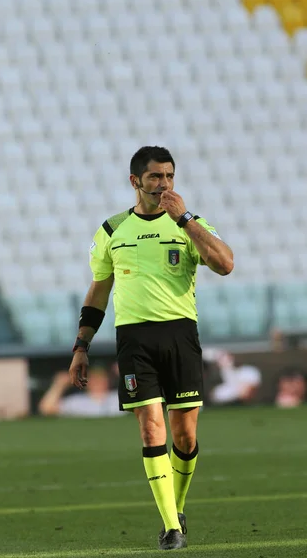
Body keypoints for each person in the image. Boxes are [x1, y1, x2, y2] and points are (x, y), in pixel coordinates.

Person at [68, 146, 233, 550]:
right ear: (135, 181)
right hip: (134, 340)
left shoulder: (189, 224)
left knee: (186, 436)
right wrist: (81, 345)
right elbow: (98, 291)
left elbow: (225, 263)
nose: (164, 185)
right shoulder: (111, 231)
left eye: (170, 177)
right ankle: (170, 528)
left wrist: (187, 220)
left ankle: (176, 506)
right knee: (149, 426)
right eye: (156, 177)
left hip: (180, 335)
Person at [38, 365, 125, 418]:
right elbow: (46, 409)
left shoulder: (118, 397)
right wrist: (60, 384)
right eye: (93, 378)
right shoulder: (77, 401)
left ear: (108, 380)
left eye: (101, 377)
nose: (97, 381)